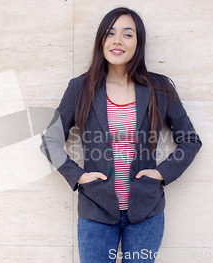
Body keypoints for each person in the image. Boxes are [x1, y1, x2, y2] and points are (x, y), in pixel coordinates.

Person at [40, 7, 202, 263]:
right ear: (101, 41)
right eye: (110, 33)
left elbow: (190, 140)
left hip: (146, 210)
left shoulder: (159, 89)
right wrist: (78, 175)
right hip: (96, 208)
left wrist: (161, 173)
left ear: (138, 43)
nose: (117, 41)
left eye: (127, 34)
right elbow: (50, 140)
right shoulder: (79, 89)